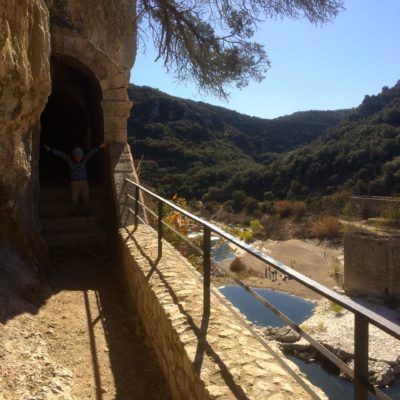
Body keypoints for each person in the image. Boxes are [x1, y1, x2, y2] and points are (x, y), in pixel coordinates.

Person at [44, 143, 106, 216]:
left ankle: (86, 211)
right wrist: (50, 150)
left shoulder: (84, 159)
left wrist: (101, 146)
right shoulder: (69, 160)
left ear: (82, 156)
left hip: (84, 183)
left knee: (86, 198)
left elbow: (92, 152)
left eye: (79, 156)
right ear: (73, 156)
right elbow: (60, 154)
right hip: (75, 184)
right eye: (76, 156)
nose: (78, 158)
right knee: (74, 199)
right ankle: (73, 212)